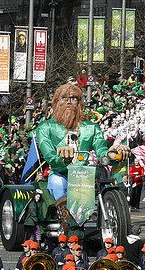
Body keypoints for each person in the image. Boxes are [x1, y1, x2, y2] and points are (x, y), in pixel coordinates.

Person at [35, 84, 129, 231]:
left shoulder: (91, 127)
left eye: (73, 98)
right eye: (63, 98)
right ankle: (65, 222)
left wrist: (112, 154)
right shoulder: (45, 128)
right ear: (55, 102)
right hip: (60, 173)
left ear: (80, 103)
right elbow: (49, 155)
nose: (68, 102)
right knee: (58, 183)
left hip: (84, 175)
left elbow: (101, 149)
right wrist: (61, 157)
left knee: (103, 184)